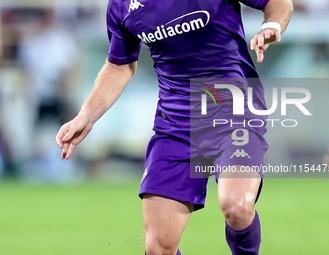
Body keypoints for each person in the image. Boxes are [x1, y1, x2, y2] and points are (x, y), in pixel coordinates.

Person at [56, 0, 293, 254]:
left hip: (234, 109)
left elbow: (278, 2)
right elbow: (120, 65)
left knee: (236, 205)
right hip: (176, 123)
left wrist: (271, 24)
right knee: (158, 248)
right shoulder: (121, 6)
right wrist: (86, 118)